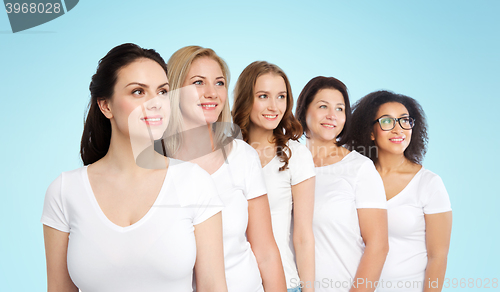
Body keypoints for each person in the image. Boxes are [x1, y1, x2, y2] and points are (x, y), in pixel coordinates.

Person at [41, 43, 227, 292]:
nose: (156, 103)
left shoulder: (195, 183)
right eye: (138, 92)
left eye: (162, 92)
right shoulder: (65, 191)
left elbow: (213, 286)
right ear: (105, 106)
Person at [165, 46, 286, 292]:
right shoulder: (154, 163)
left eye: (219, 83)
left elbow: (266, 252)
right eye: (198, 82)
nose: (212, 93)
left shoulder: (243, 157)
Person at [349, 90, 452, 292]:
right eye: (387, 122)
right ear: (370, 131)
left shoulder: (429, 183)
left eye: (405, 121)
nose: (398, 130)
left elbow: (437, 257)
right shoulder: (355, 177)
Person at [295, 76, 389, 292]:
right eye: (323, 106)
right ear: (303, 110)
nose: (331, 115)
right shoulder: (286, 164)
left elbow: (378, 246)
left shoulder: (359, 168)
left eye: (339, 109)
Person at [233, 61, 315, 292]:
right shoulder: (225, 152)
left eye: (281, 97)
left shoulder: (296, 155)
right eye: (263, 96)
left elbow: (303, 236)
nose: (274, 106)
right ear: (245, 99)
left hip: (285, 284)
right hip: (234, 283)